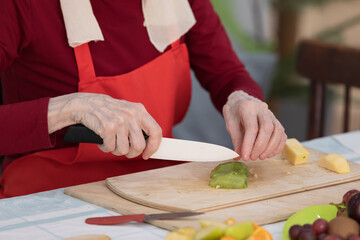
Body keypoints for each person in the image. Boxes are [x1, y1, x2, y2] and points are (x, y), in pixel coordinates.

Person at [0, 0, 287, 198]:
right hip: (49, 194)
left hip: (156, 187)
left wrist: (242, 98)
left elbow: (225, 72)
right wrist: (68, 107)